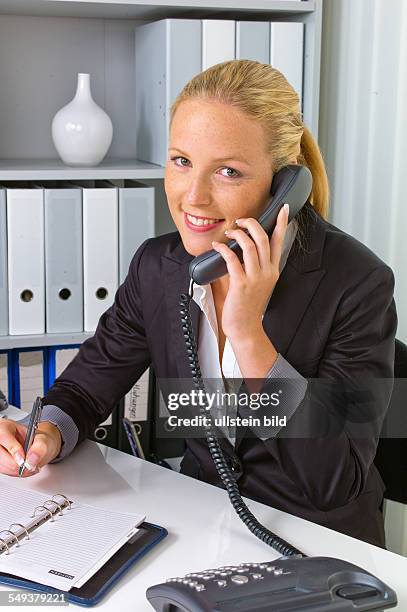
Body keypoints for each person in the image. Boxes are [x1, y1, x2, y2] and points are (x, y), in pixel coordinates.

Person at [0, 60, 397, 547]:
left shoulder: (356, 283)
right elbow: (85, 389)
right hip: (200, 528)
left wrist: (250, 335)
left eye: (228, 171)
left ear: (285, 183)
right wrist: (46, 434)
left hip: (320, 547)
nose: (193, 196)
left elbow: (331, 481)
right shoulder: (158, 267)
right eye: (181, 161)